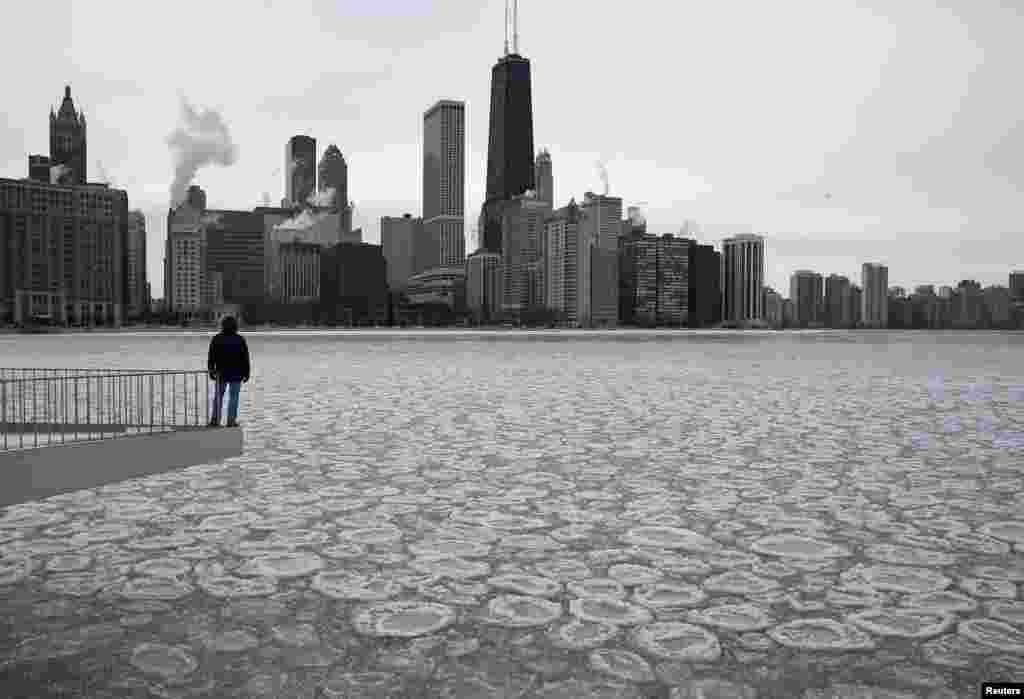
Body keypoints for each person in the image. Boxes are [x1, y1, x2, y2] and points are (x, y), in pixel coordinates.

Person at [207, 315, 251, 427]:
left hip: (220, 372)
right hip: (237, 373)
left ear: (222, 325)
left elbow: (211, 357)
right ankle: (231, 421)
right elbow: (245, 358)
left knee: (218, 397)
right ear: (235, 326)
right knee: (234, 398)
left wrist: (211, 370)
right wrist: (247, 373)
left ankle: (215, 420)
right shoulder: (239, 339)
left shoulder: (217, 338)